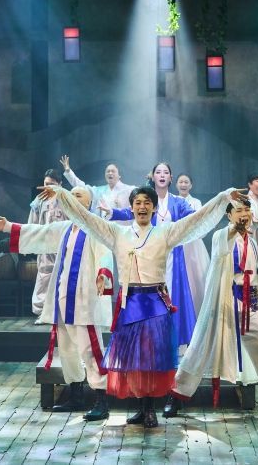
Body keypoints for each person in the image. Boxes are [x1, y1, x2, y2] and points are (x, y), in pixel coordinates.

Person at [37, 183, 246, 428]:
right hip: (130, 303)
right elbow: (87, 218)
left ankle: (149, 410)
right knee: (133, 360)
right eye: (138, 203)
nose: (142, 207)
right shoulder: (117, 233)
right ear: (131, 208)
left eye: (147, 203)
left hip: (155, 304)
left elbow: (196, 220)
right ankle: (139, 408)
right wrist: (62, 194)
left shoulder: (165, 233)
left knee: (152, 359)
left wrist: (222, 197)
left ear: (154, 208)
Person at [164, 197, 258, 419]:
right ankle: (176, 396)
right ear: (229, 215)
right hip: (224, 304)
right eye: (238, 210)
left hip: (250, 304)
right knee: (199, 348)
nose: (244, 214)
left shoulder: (251, 242)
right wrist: (233, 229)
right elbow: (222, 247)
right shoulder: (221, 235)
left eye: (247, 210)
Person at [0, 186, 113, 421]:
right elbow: (40, 233)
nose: (73, 198)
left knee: (90, 350)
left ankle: (101, 400)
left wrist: (103, 274)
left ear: (88, 203)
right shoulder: (65, 228)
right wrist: (8, 226)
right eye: (71, 194)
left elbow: (105, 254)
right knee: (67, 350)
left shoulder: (95, 227)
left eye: (78, 195)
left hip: (84, 301)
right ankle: (76, 395)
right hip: (63, 300)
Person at [104, 163, 206, 349]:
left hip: (172, 256)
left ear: (170, 178)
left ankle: (171, 341)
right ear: (153, 176)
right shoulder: (147, 199)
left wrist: (205, 213)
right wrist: (112, 212)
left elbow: (192, 217)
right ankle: (148, 341)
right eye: (158, 172)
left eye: (166, 172)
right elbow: (130, 211)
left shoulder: (177, 202)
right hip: (149, 255)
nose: (162, 175)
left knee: (172, 295)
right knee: (149, 297)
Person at [28, 169, 67, 323]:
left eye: (52, 184)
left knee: (63, 278)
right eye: (46, 184)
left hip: (64, 246)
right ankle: (42, 312)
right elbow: (32, 224)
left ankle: (61, 312)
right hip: (45, 246)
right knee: (44, 276)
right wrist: (32, 243)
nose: (48, 187)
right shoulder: (39, 200)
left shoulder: (66, 199)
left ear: (60, 184)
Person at [175, 172, 211, 316]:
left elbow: (199, 223)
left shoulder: (196, 202)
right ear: (176, 184)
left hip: (193, 245)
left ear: (191, 185)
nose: (183, 185)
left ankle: (197, 313)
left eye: (186, 182)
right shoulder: (172, 201)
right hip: (177, 243)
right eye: (181, 182)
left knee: (196, 278)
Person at [60, 155, 134, 219]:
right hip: (105, 227)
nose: (110, 173)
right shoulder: (100, 191)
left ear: (119, 175)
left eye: (113, 171)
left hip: (123, 227)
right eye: (107, 171)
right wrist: (68, 172)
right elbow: (82, 187)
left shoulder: (129, 190)